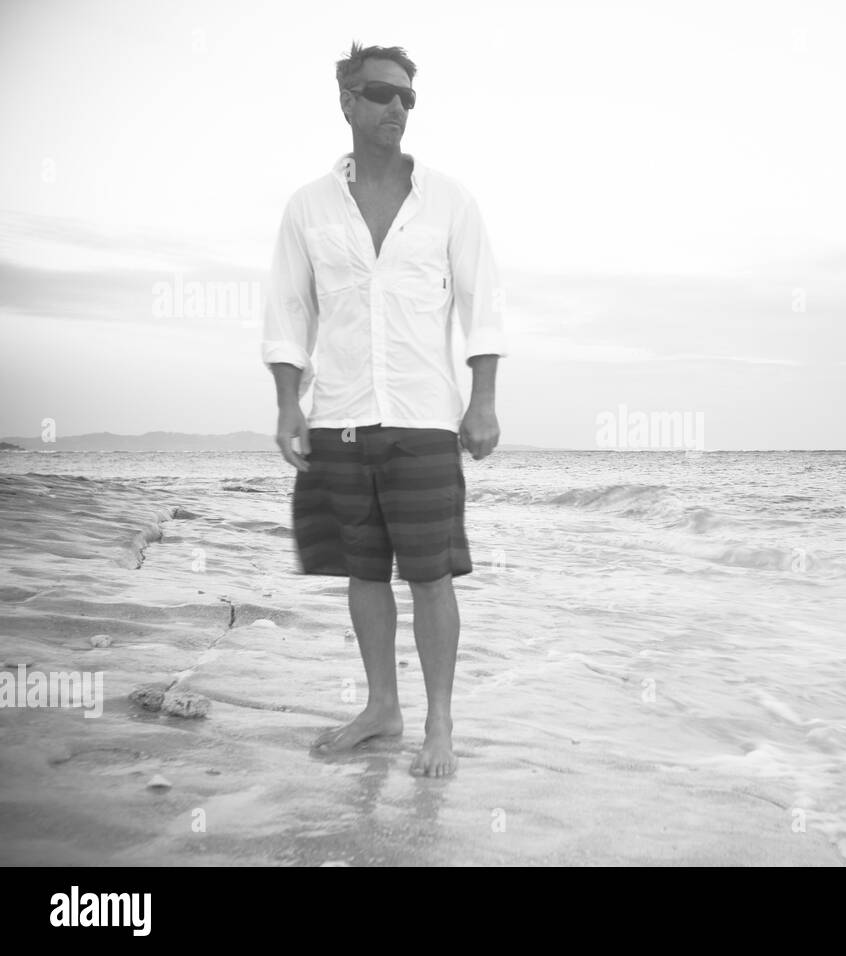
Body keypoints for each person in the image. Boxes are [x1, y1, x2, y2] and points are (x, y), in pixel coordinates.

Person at [261, 41, 507, 777]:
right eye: (380, 93)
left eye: (407, 96)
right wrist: (286, 406)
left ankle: (439, 727)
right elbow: (287, 311)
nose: (397, 106)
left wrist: (483, 402)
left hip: (425, 417)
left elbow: (482, 305)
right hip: (337, 413)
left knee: (431, 576)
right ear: (347, 102)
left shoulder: (450, 200)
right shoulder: (307, 207)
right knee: (362, 573)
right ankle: (381, 709)